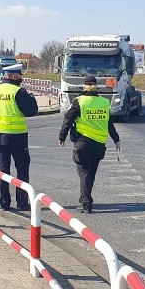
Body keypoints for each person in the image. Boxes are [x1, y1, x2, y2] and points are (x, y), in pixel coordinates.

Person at [58, 76, 120, 214]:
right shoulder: (104, 102)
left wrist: (62, 137)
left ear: (83, 87)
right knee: (91, 173)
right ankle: (84, 199)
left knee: (84, 173)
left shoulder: (79, 101)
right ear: (96, 87)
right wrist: (116, 139)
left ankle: (86, 204)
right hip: (99, 144)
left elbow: (68, 120)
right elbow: (110, 124)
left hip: (83, 143)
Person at [0, 63, 38, 211]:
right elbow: (31, 111)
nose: (21, 78)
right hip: (17, 136)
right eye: (20, 75)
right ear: (14, 76)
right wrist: (31, 97)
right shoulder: (18, 92)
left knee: (2, 170)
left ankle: (4, 202)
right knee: (22, 168)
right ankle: (21, 203)